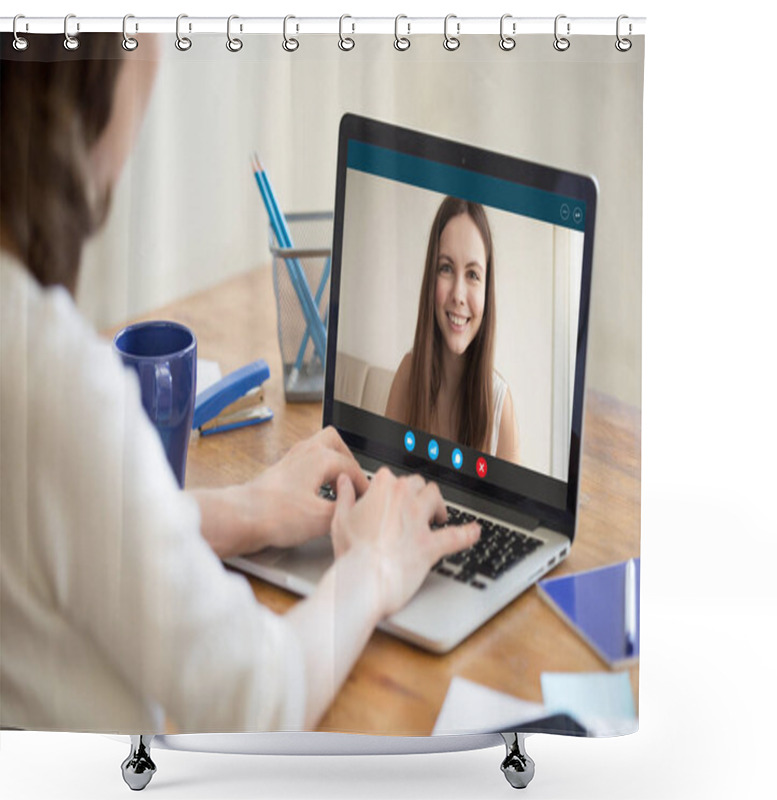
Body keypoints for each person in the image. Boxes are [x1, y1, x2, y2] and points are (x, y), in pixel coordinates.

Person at [0, 34, 480, 734]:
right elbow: (258, 698)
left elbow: (61, 530)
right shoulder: (49, 380)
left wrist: (241, 509)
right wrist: (373, 566)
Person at [386, 196, 520, 462]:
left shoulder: (500, 407)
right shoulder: (407, 375)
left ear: (486, 291)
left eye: (472, 275)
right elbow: (383, 481)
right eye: (446, 268)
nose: (458, 295)